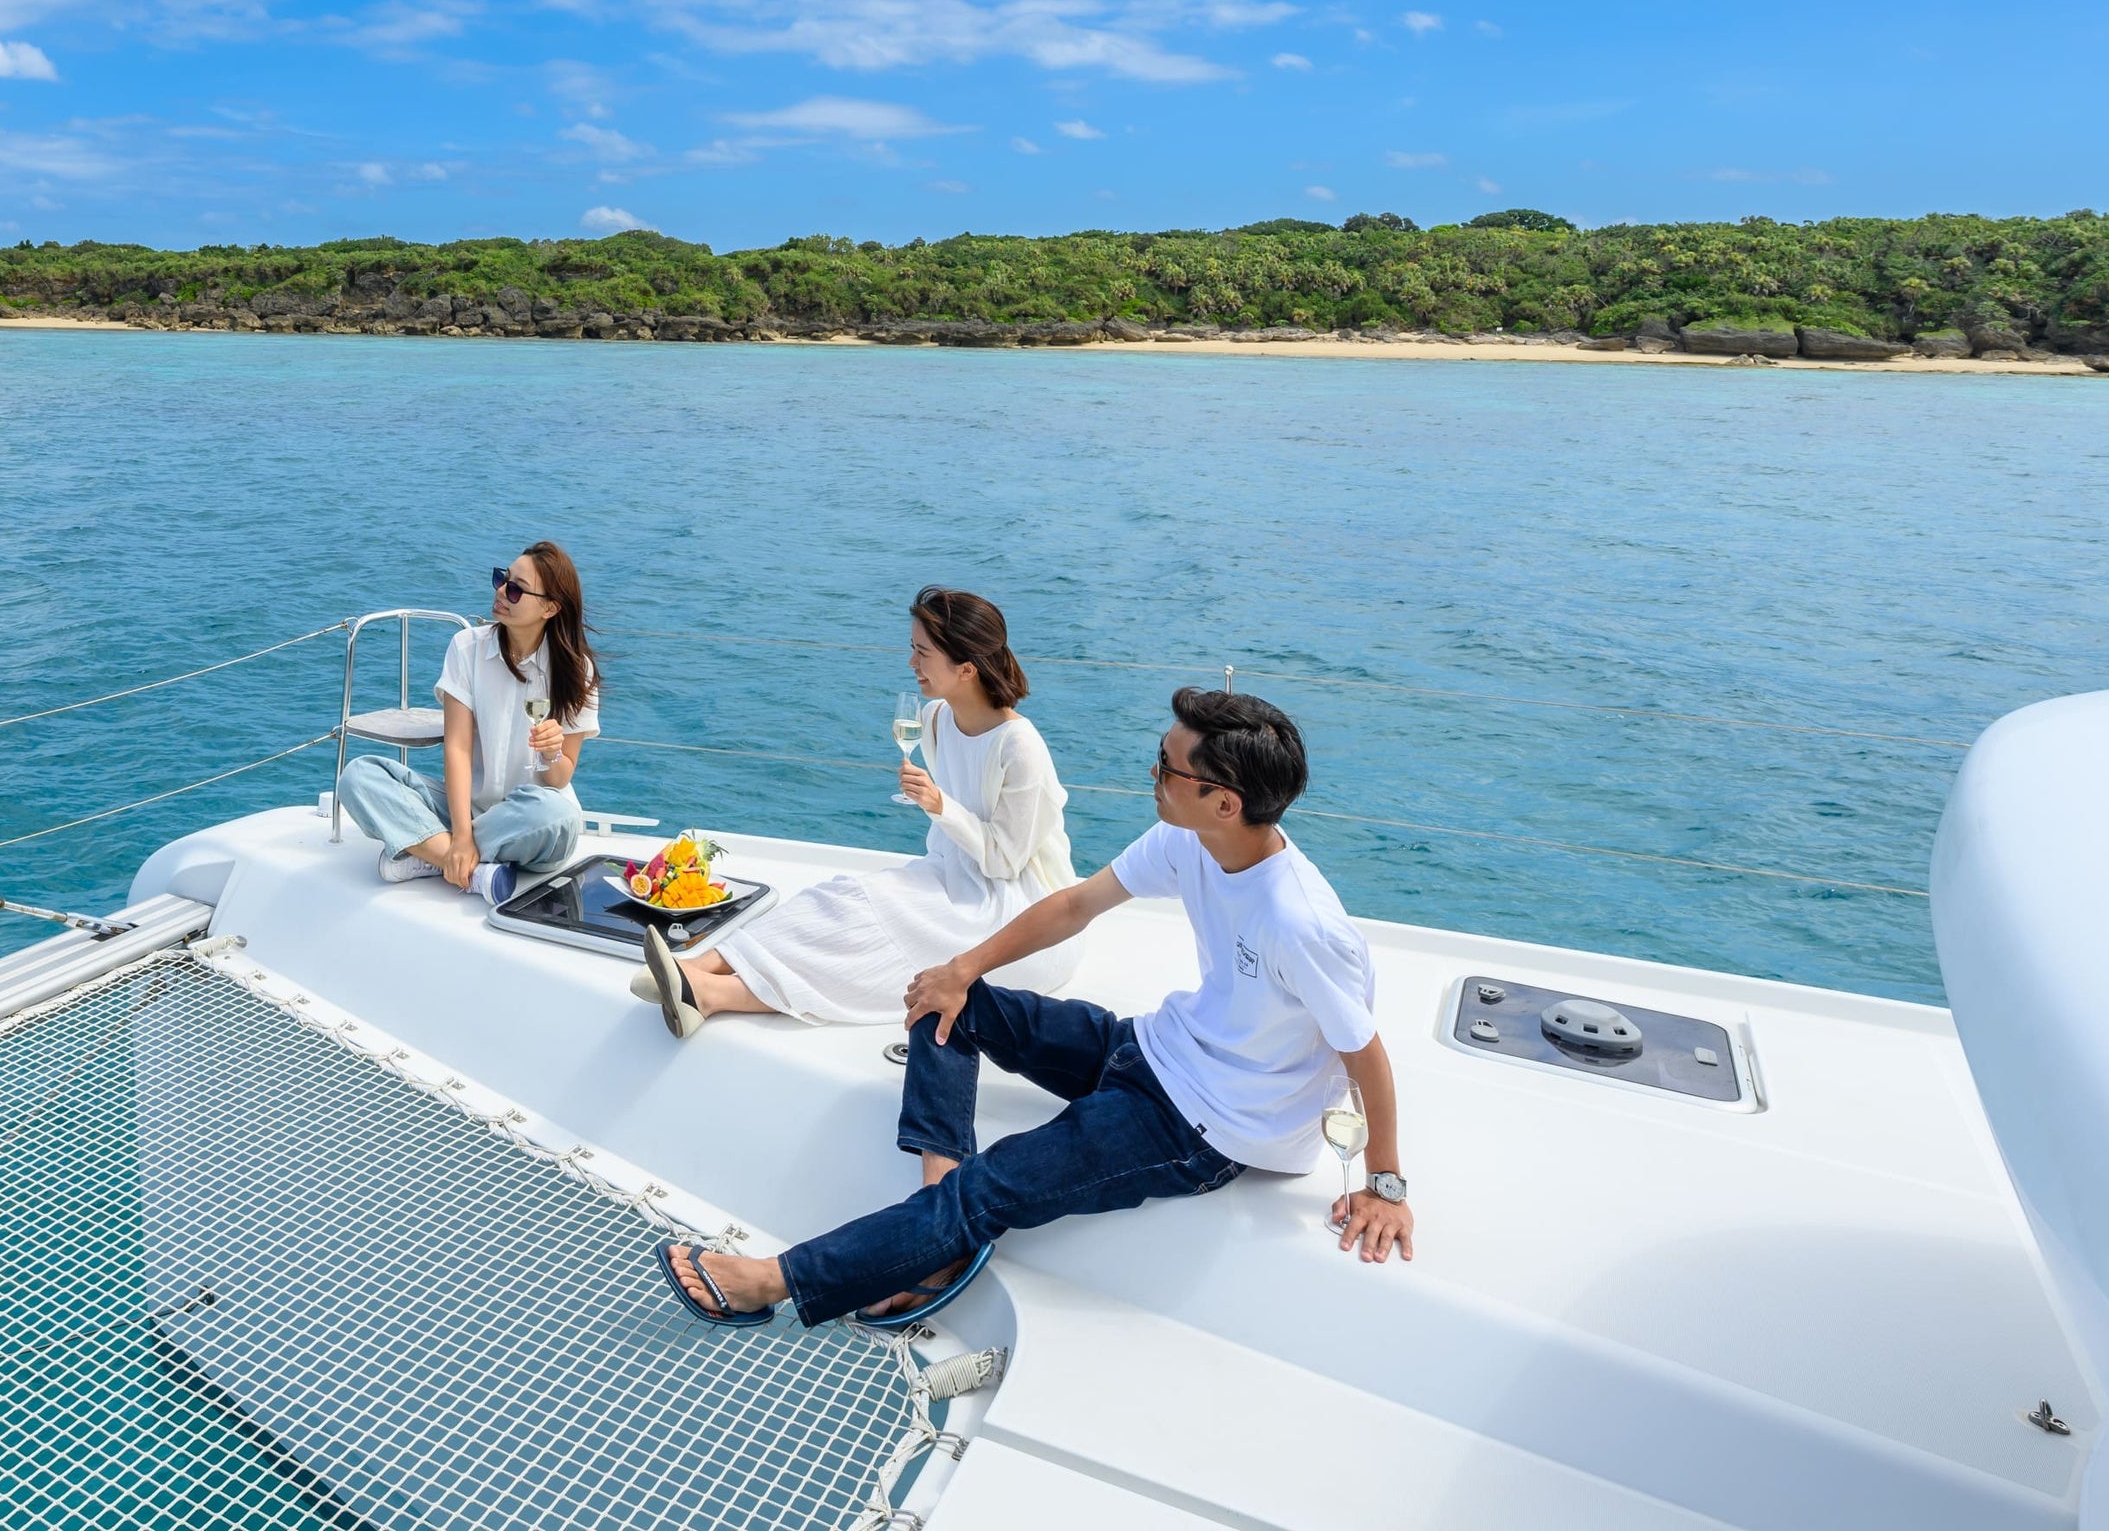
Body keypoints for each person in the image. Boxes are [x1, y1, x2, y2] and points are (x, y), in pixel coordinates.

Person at [657, 685, 1413, 1331]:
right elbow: (1076, 904)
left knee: (992, 1186)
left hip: (1202, 1125)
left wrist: (1385, 1184)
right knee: (943, 998)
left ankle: (772, 1283)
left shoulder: (1299, 922)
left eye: (1166, 766)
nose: (1151, 774)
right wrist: (963, 968)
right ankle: (939, 1214)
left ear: (1224, 801)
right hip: (1152, 1046)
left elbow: (1366, 1053)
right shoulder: (1189, 840)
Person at [634, 588, 1073, 1038]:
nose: (911, 663)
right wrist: (942, 812)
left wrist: (941, 806)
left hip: (1016, 911)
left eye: (923, 653)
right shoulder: (936, 718)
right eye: (913, 648)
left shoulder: (1019, 746)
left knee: (874, 938)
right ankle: (698, 967)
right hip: (951, 873)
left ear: (966, 668)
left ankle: (712, 994)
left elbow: (1005, 862)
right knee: (841, 897)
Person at [338, 541, 599, 904]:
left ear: (550, 608)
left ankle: (429, 854)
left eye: (516, 590)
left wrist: (552, 753)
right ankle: (464, 863)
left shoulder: (577, 671)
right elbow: (457, 748)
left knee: (557, 816)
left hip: (529, 820)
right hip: (465, 809)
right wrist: (461, 835)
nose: (501, 592)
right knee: (358, 776)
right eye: (501, 579)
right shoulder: (467, 648)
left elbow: (559, 779)